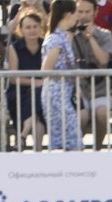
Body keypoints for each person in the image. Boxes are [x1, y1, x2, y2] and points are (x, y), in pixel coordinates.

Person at [42, 0, 83, 149]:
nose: (78, 16)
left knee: (67, 139)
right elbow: (46, 69)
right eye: (76, 12)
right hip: (56, 96)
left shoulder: (62, 37)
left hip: (62, 94)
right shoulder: (56, 39)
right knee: (70, 139)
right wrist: (67, 74)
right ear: (67, 14)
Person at [73, 0, 112, 149]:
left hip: (100, 87)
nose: (83, 16)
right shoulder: (70, 35)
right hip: (78, 88)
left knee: (102, 115)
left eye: (87, 12)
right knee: (81, 118)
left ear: (95, 12)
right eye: (80, 12)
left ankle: (97, 149)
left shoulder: (105, 35)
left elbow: (103, 61)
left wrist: (91, 37)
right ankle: (79, 149)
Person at [5, 7, 46, 150]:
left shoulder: (46, 46)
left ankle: (23, 136)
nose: (32, 30)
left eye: (35, 26)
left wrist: (39, 84)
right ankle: (37, 150)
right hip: (19, 94)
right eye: (28, 27)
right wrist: (36, 82)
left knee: (37, 114)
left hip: (41, 94)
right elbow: (13, 78)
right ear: (21, 29)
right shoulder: (14, 48)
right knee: (36, 110)